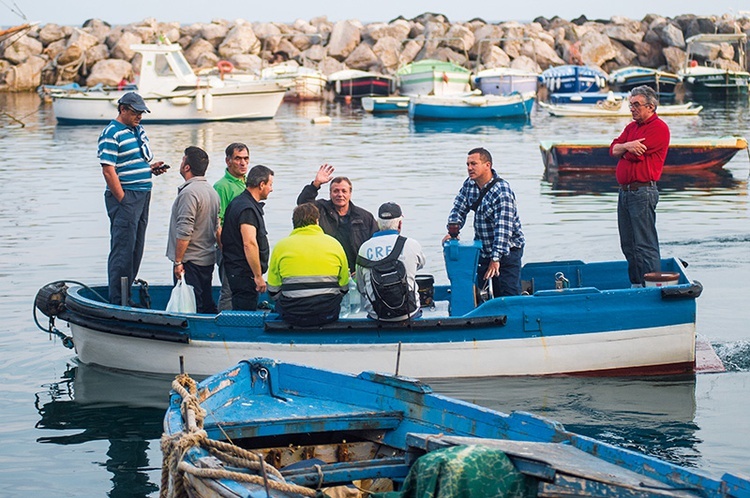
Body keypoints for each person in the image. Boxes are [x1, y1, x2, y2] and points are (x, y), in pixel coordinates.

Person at [97, 91, 168, 305]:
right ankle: (118, 300)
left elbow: (133, 162)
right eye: (135, 112)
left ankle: (126, 294)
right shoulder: (111, 133)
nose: (139, 116)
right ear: (123, 110)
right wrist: (123, 199)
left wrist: (149, 169)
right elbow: (108, 170)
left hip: (143, 193)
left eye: (141, 113)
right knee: (123, 249)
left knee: (137, 247)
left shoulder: (137, 130)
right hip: (126, 196)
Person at [610, 85, 670, 287]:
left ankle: (653, 287)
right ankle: (636, 285)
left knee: (645, 244)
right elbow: (614, 149)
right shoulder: (631, 128)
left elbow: (636, 154)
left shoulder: (659, 128)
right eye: (631, 104)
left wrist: (624, 150)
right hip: (625, 193)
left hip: (643, 191)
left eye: (636, 104)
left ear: (651, 107)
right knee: (628, 244)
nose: (632, 109)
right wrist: (626, 146)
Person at [444, 148, 525, 298]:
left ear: (487, 165)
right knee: (483, 293)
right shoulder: (470, 185)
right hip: (484, 249)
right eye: (467, 164)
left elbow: (503, 229)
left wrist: (496, 259)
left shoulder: (502, 192)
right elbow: (458, 209)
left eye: (473, 164)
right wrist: (453, 231)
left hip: (507, 251)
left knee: (508, 293)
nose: (469, 168)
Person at [267, 203, 349, 326]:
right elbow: (344, 287)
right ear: (317, 221)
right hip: (328, 314)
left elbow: (273, 290)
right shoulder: (334, 244)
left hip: (292, 315)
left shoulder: (281, 246)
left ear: (294, 222)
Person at [166, 146, 220, 314]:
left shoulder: (189, 193)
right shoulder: (211, 192)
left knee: (190, 308)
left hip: (190, 262)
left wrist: (178, 262)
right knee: (204, 302)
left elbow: (184, 231)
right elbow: (216, 226)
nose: (181, 163)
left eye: (183, 160)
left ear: (187, 167)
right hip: (207, 259)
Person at [297, 164, 378, 273]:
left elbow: (375, 244)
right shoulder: (320, 210)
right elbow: (302, 205)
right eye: (336, 191)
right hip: (327, 269)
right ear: (330, 194)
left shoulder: (364, 217)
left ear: (350, 193)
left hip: (357, 271)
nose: (340, 194)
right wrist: (315, 184)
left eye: (344, 191)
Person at [356, 202, 426, 321]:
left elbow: (361, 287)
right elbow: (420, 265)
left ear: (378, 223)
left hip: (377, 315)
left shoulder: (364, 248)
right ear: (400, 223)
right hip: (409, 312)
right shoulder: (411, 244)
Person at [221, 165, 274, 311]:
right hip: (244, 275)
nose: (271, 189)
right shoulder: (247, 209)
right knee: (245, 314)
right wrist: (258, 276)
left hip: (236, 270)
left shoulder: (239, 202)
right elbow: (249, 243)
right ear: (261, 185)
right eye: (270, 185)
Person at [213, 142, 250, 310]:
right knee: (229, 290)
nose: (243, 163)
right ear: (228, 161)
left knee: (246, 288)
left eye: (246, 159)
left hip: (247, 247)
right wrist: (224, 250)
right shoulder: (221, 187)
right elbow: (217, 224)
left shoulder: (250, 183)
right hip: (229, 248)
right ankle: (223, 326)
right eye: (238, 159)